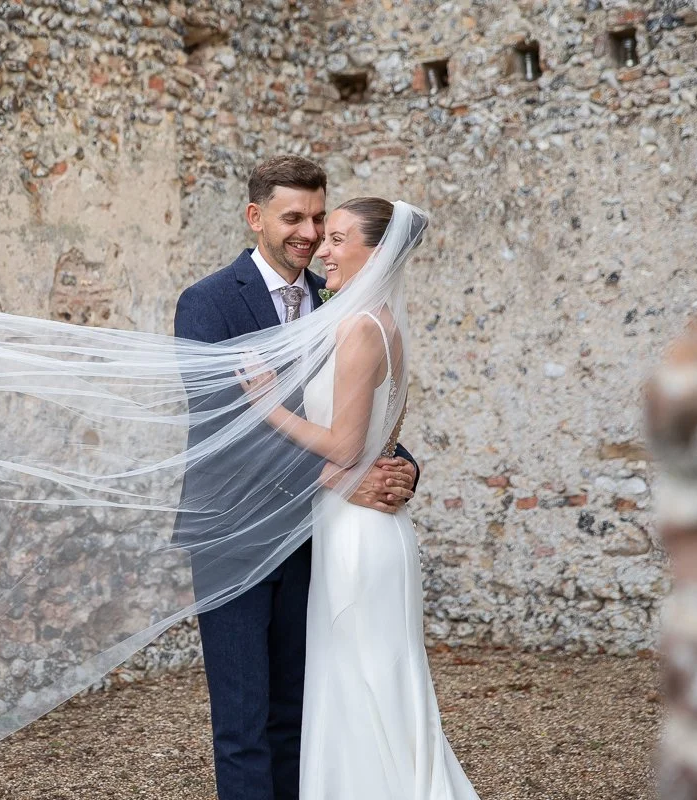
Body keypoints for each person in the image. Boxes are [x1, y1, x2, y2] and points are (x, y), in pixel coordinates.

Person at [173, 156, 420, 800]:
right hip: (234, 537)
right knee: (243, 720)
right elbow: (224, 425)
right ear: (255, 218)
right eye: (293, 218)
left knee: (300, 711)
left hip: (318, 541)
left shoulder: (338, 297)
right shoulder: (206, 305)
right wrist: (340, 478)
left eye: (318, 217)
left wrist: (397, 467)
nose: (308, 233)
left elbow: (357, 411)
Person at [238, 196, 479, 798]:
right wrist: (349, 472)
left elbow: (346, 449)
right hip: (372, 527)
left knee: (361, 689)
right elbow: (374, 444)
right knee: (377, 688)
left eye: (339, 239)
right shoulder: (384, 325)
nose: (323, 249)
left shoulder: (356, 327)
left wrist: (267, 406)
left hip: (355, 533)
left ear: (378, 254)